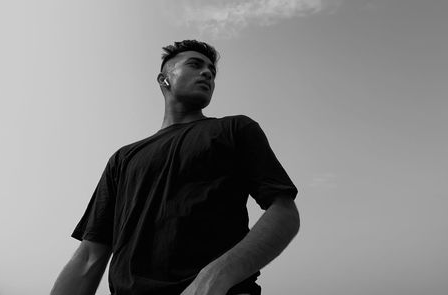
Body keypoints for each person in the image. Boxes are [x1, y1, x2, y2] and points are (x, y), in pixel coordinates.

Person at [50, 40, 300, 295]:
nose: (207, 73)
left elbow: (285, 212)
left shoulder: (235, 129)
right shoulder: (123, 158)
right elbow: (90, 256)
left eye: (212, 72)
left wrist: (214, 278)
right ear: (164, 79)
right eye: (195, 65)